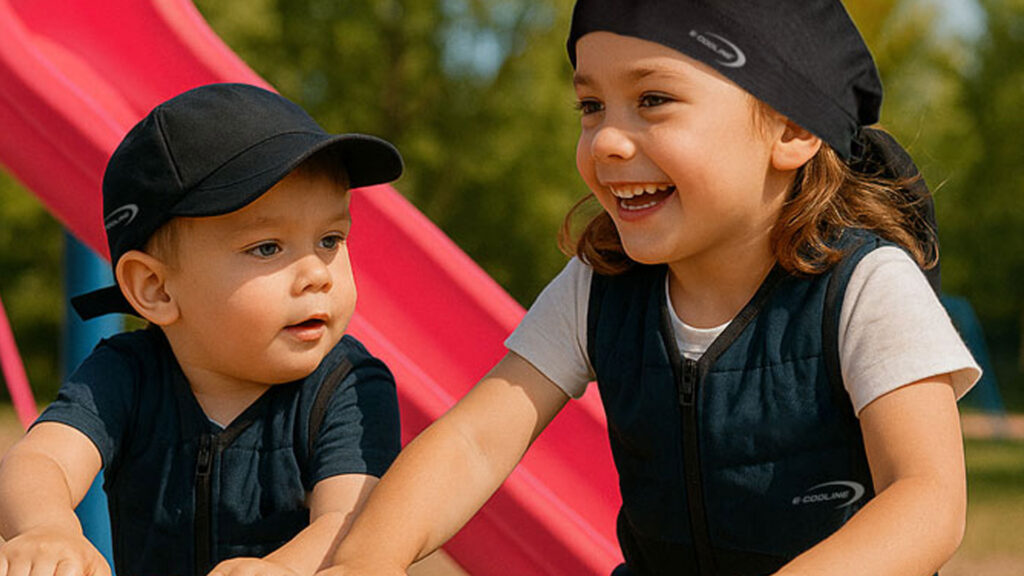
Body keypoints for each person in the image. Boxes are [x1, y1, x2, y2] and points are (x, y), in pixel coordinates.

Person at [322, 2, 982, 576]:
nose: (606, 140)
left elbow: (925, 500)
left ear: (792, 129)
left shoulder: (865, 287)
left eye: (652, 100)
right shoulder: (603, 286)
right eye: (590, 105)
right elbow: (474, 441)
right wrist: (368, 555)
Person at [0, 83, 404, 576]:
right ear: (155, 288)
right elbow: (41, 461)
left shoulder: (349, 385)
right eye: (268, 247)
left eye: (329, 239)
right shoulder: (128, 373)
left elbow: (354, 519)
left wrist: (286, 568)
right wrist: (46, 528)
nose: (318, 273)